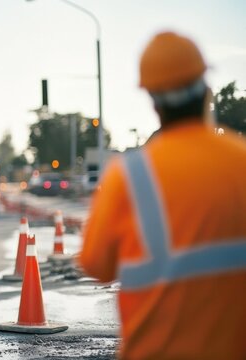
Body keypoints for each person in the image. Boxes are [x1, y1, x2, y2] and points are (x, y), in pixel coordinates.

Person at [79, 31, 246, 359]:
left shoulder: (129, 175)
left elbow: (96, 264)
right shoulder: (240, 159)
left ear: (154, 101)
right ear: (206, 90)